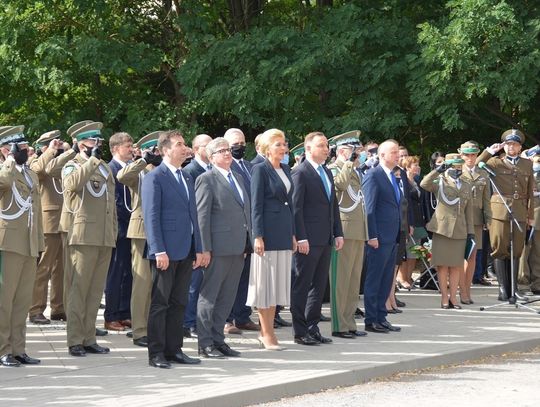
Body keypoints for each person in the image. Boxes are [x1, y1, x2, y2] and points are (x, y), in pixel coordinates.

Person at [141, 130, 204, 368]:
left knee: (179, 302)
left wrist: (198, 247)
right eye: (179, 144)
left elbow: (193, 215)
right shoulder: (154, 177)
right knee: (160, 303)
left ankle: (174, 349)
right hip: (165, 251)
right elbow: (151, 216)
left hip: (186, 249)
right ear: (165, 150)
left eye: (184, 144)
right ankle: (156, 352)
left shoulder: (186, 177)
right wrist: (158, 250)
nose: (184, 148)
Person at [62, 122, 117, 357]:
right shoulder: (71, 166)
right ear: (81, 143)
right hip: (83, 235)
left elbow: (110, 202)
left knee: (95, 291)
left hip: (104, 236)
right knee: (79, 289)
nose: (97, 145)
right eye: (93, 141)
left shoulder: (104, 167)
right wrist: (90, 160)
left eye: (99, 141)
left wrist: (113, 230)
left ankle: (89, 337)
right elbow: (71, 185)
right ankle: (75, 339)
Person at [196, 137, 251, 358]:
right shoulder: (206, 179)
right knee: (210, 296)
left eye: (228, 150)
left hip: (238, 248)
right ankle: (205, 343)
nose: (227, 153)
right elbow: (202, 216)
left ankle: (219, 339)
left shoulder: (237, 177)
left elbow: (244, 213)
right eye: (221, 151)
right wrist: (205, 248)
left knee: (227, 297)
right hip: (217, 249)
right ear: (211, 157)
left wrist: (248, 241)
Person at [291, 131, 344, 346]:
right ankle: (300, 330)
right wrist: (300, 237)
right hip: (308, 240)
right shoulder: (300, 173)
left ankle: (312, 327)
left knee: (319, 285)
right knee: (302, 284)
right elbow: (296, 209)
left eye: (326, 145)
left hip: (325, 238)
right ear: (308, 149)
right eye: (321, 145)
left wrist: (338, 232)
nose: (326, 149)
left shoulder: (326, 172)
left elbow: (333, 206)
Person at [247, 129, 296, 350]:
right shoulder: (259, 169)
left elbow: (290, 204)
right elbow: (255, 206)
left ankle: (271, 331)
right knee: (265, 285)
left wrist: (293, 234)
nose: (283, 148)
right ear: (267, 148)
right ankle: (265, 333)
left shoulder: (285, 168)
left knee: (277, 286)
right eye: (277, 144)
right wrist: (258, 235)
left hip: (284, 232)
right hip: (267, 234)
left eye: (284, 144)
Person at [0, 126, 44, 367]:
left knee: (22, 300)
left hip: (28, 243)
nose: (26, 150)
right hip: (8, 243)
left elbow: (34, 210)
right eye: (21, 147)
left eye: (26, 146)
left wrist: (39, 241)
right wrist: (7, 160)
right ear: (7, 149)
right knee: (4, 301)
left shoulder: (30, 174)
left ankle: (18, 349)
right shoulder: (5, 171)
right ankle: (3, 349)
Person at [477, 129, 534, 301]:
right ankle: (503, 290)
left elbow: (531, 190)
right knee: (500, 249)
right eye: (508, 144)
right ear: (504, 146)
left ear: (520, 147)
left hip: (519, 211)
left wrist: (530, 215)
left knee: (516, 250)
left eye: (514, 144)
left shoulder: (527, 164)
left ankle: (514, 290)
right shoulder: (495, 162)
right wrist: (489, 151)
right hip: (499, 211)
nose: (511, 147)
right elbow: (477, 164)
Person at [117, 131, 162, 347]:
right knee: (142, 282)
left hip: (163, 231)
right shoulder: (141, 170)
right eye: (155, 149)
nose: (158, 153)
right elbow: (122, 177)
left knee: (158, 284)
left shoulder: (165, 169)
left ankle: (154, 327)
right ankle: (140, 330)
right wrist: (143, 160)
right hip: (142, 230)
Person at [420, 153, 474, 309]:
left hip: (459, 230)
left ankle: (453, 298)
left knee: (456, 265)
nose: (456, 169)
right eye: (453, 166)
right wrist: (438, 170)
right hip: (442, 229)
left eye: (459, 166)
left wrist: (471, 232)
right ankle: (444, 297)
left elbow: (468, 211)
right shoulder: (440, 182)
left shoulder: (466, 184)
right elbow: (424, 184)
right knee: (442, 266)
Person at [327, 137, 368, 339]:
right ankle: (339, 324)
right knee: (340, 281)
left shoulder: (354, 170)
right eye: (354, 150)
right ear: (343, 151)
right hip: (343, 230)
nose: (358, 154)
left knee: (353, 281)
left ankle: (350, 322)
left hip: (358, 231)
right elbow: (340, 186)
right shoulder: (334, 168)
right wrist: (348, 162)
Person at [362, 139, 402, 333]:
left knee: (386, 279)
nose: (398, 155)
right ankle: (371, 319)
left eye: (398, 152)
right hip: (378, 237)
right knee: (375, 278)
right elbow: (369, 209)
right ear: (382, 155)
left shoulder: (392, 176)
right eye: (393, 152)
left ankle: (381, 316)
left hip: (391, 236)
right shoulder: (373, 175)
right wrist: (372, 235)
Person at [28, 130, 67, 325]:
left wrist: (64, 152)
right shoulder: (37, 161)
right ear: (44, 146)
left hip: (64, 221)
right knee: (44, 267)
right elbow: (36, 172)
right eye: (53, 144)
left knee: (61, 269)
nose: (57, 147)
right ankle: (35, 309)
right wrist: (50, 152)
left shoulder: (58, 162)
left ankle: (58, 308)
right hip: (48, 221)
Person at [223, 128, 259, 333]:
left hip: (250, 229)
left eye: (242, 143)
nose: (240, 147)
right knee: (230, 277)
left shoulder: (249, 166)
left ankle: (242, 316)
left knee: (246, 275)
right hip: (231, 231)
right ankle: (226, 319)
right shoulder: (225, 169)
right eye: (235, 144)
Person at [182, 133, 213, 338]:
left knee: (204, 282)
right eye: (206, 145)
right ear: (195, 150)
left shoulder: (212, 170)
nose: (210, 148)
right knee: (193, 284)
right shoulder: (190, 171)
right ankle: (188, 322)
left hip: (211, 234)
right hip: (196, 234)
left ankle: (199, 321)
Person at [104, 132, 134, 332]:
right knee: (115, 272)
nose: (131, 149)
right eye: (127, 146)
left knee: (128, 273)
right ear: (115, 149)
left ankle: (124, 312)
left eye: (131, 145)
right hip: (119, 227)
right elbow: (115, 202)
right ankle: (111, 315)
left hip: (131, 227)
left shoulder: (131, 168)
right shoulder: (110, 169)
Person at [459, 141, 492, 304]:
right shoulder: (456, 171)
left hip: (477, 220)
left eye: (473, 154)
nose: (470, 158)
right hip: (460, 219)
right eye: (467, 154)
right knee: (459, 256)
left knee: (472, 256)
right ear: (461, 155)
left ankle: (467, 290)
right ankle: (459, 290)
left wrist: (488, 219)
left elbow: (487, 199)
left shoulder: (483, 173)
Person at [397, 155, 427, 289]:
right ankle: (402, 279)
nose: (418, 167)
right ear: (408, 167)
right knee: (406, 251)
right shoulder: (403, 182)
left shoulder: (416, 181)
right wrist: (408, 222)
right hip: (409, 220)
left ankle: (409, 278)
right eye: (415, 164)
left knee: (415, 252)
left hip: (418, 219)